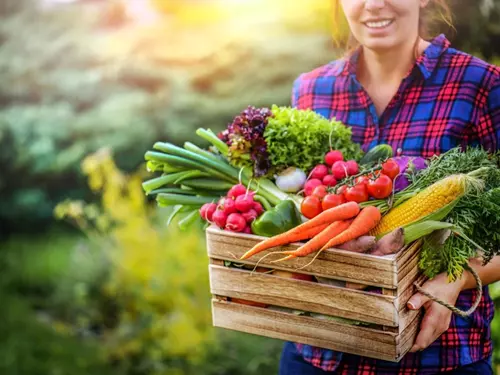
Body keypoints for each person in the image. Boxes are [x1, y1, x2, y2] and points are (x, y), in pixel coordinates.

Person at [280, 0, 500, 374]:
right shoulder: (312, 90)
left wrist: (455, 279)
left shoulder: (480, 85)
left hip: (436, 357)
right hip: (320, 355)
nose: (373, 4)